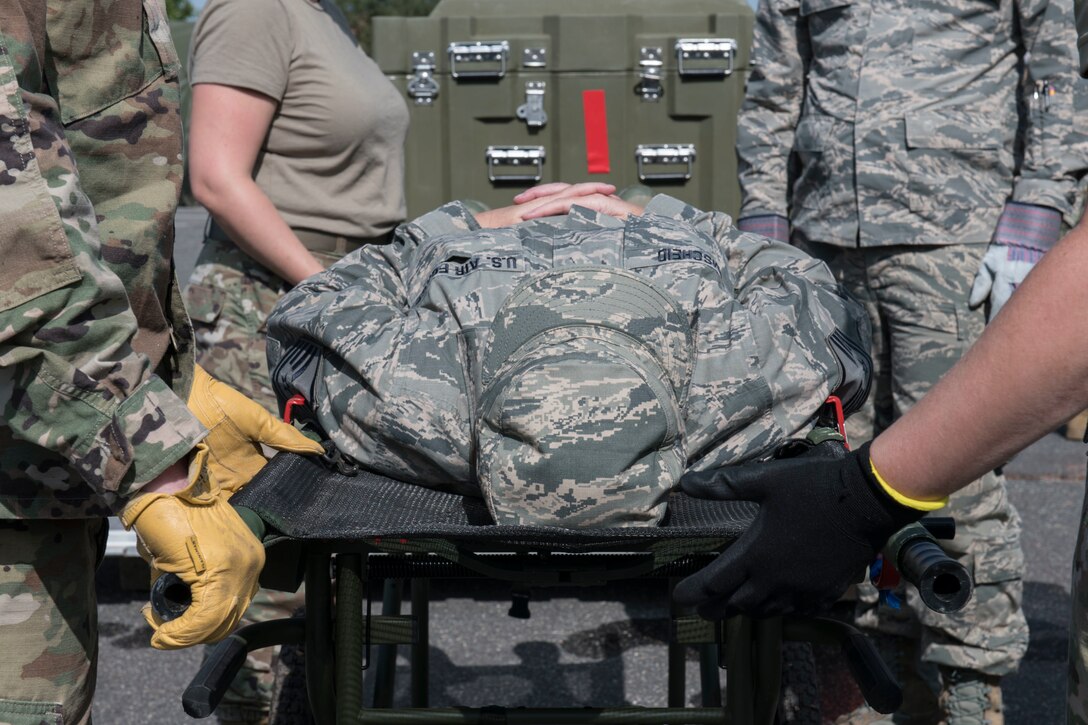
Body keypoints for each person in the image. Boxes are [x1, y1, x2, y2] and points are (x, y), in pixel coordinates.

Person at [677, 6, 1088, 724]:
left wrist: (1041, 203)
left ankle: (968, 678)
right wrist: (764, 217)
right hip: (825, 238)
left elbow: (1054, 70)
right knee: (829, 472)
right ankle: (855, 671)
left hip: (958, 236)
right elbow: (776, 81)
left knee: (955, 472)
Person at [0, 2, 324, 723]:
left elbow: (96, 186)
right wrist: (145, 450)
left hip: (43, 463)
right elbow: (11, 228)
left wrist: (170, 379)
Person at [266, 182, 872, 530]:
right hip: (496, 259)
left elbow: (318, 301)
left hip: (564, 251)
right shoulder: (425, 410)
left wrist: (482, 221)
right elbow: (814, 289)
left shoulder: (731, 392)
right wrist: (654, 217)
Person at [180, 0, 410, 720]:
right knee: (263, 571)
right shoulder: (255, 10)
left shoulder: (322, 15)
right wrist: (326, 289)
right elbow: (217, 178)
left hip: (329, 306)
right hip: (269, 316)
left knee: (329, 575)